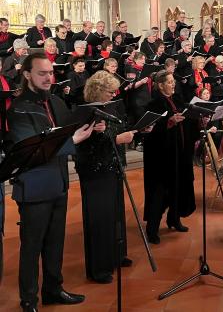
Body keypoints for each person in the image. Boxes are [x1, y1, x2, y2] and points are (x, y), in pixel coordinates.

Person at [5, 52, 95, 311]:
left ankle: (53, 289)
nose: (48, 77)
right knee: (32, 247)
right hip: (34, 188)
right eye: (42, 73)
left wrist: (91, 125)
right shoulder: (19, 108)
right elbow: (33, 150)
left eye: (50, 72)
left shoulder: (55, 101)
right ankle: (29, 300)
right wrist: (74, 140)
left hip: (58, 183)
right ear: (27, 75)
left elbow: (70, 126)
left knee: (56, 243)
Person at [75, 71, 138, 283]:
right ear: (98, 90)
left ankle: (116, 256)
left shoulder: (109, 106)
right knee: (99, 220)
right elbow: (87, 146)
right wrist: (118, 138)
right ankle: (99, 268)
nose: (114, 95)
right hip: (95, 171)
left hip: (112, 166)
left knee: (115, 215)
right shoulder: (86, 112)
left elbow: (121, 126)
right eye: (110, 91)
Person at [142, 70, 198, 244]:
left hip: (180, 154)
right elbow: (149, 131)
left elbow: (188, 119)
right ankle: (152, 229)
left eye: (174, 81)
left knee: (178, 188)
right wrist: (169, 122)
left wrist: (199, 119)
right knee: (160, 192)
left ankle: (174, 219)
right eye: (170, 82)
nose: (173, 84)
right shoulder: (154, 104)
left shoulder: (178, 100)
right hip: (162, 158)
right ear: (160, 85)